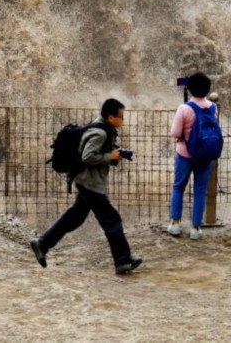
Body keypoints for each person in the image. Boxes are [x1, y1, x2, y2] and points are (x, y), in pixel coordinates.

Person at [30, 99, 143, 275]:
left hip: (86, 181)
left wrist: (117, 153)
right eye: (121, 117)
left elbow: (95, 150)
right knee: (111, 220)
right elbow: (87, 156)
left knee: (75, 218)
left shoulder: (102, 126)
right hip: (90, 183)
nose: (123, 120)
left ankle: (42, 244)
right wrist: (109, 157)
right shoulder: (101, 132)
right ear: (111, 117)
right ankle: (123, 261)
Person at [167, 72, 217, 241]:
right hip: (205, 155)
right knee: (200, 191)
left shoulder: (185, 108)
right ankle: (196, 228)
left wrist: (182, 136)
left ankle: (175, 224)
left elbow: (175, 132)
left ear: (189, 88)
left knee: (179, 187)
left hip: (185, 154)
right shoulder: (213, 107)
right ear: (208, 89)